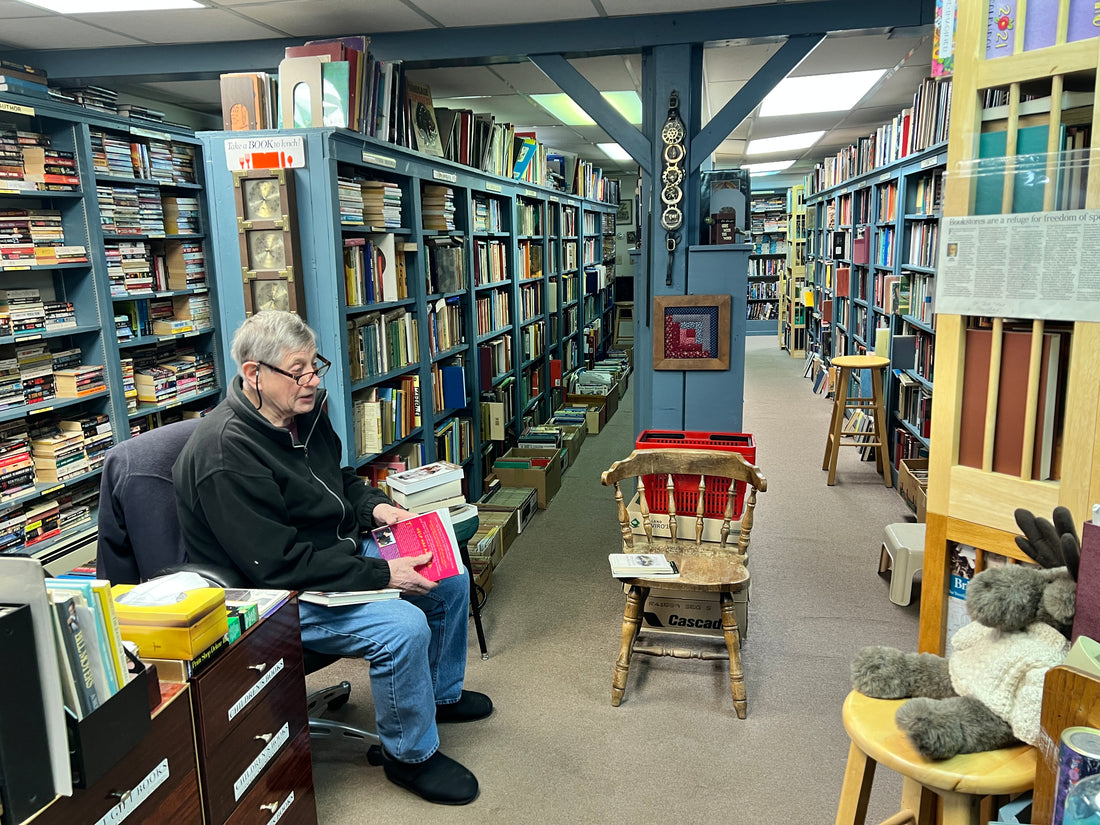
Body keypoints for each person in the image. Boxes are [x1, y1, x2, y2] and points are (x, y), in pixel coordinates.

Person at [173, 310, 489, 805]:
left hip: (329, 554)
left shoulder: (304, 412)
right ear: (254, 374)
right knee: (401, 626)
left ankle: (439, 696)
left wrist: (375, 506)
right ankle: (410, 757)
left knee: (447, 576)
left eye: (314, 366)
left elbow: (336, 478)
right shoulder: (224, 454)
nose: (313, 380)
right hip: (275, 593)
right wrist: (384, 574)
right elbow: (277, 565)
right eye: (298, 370)